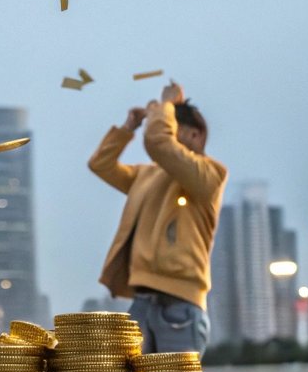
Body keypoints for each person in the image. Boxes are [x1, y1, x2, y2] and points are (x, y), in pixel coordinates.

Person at [89, 82, 227, 353]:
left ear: (195, 135)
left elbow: (157, 142)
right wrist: (128, 128)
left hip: (180, 303)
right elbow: (100, 164)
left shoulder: (210, 174)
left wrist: (165, 105)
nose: (166, 132)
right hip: (142, 300)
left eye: (173, 128)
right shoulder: (147, 175)